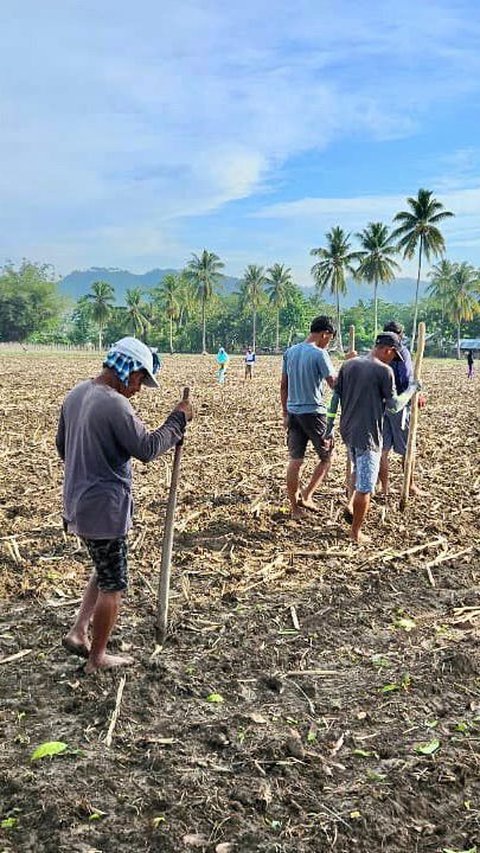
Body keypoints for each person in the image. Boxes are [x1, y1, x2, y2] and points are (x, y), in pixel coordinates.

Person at [56, 337, 193, 673]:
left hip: (78, 501)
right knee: (113, 584)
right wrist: (177, 420)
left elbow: (63, 446)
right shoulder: (115, 404)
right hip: (103, 509)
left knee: (102, 565)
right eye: (139, 381)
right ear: (127, 371)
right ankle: (97, 656)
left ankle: (78, 631)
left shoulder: (76, 394)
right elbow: (146, 448)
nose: (139, 389)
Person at [326, 332, 420, 544]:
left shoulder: (349, 365)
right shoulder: (384, 371)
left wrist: (329, 427)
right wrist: (412, 389)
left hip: (348, 430)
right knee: (366, 486)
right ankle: (355, 532)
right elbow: (394, 406)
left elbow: (335, 398)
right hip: (368, 435)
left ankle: (350, 505)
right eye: (393, 356)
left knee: (357, 469)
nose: (392, 360)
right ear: (388, 350)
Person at [281, 315, 336, 518]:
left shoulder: (290, 352)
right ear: (325, 334)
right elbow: (333, 383)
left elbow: (283, 385)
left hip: (293, 412)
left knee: (295, 460)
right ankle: (307, 494)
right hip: (314, 413)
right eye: (329, 338)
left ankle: (295, 509)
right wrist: (349, 365)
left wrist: (285, 413)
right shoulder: (319, 354)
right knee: (327, 457)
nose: (328, 342)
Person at [378, 320, 421, 497]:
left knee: (383, 449)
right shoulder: (401, 352)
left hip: (380, 404)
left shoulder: (378, 352)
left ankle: (384, 487)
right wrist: (414, 392)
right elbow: (406, 378)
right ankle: (409, 485)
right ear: (400, 335)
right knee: (406, 448)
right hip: (398, 404)